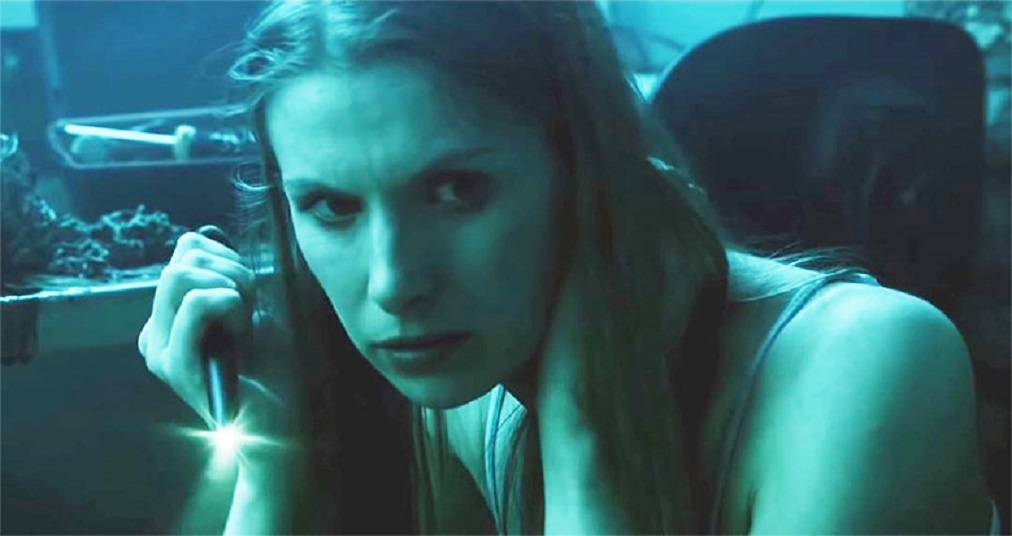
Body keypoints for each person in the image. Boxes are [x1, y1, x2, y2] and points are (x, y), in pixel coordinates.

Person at [137, 1, 998, 534]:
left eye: (457, 190)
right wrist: (276, 466)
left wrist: (587, 442)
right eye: (332, 207)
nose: (395, 282)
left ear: (589, 173)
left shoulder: (869, 363)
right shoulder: (468, 378)